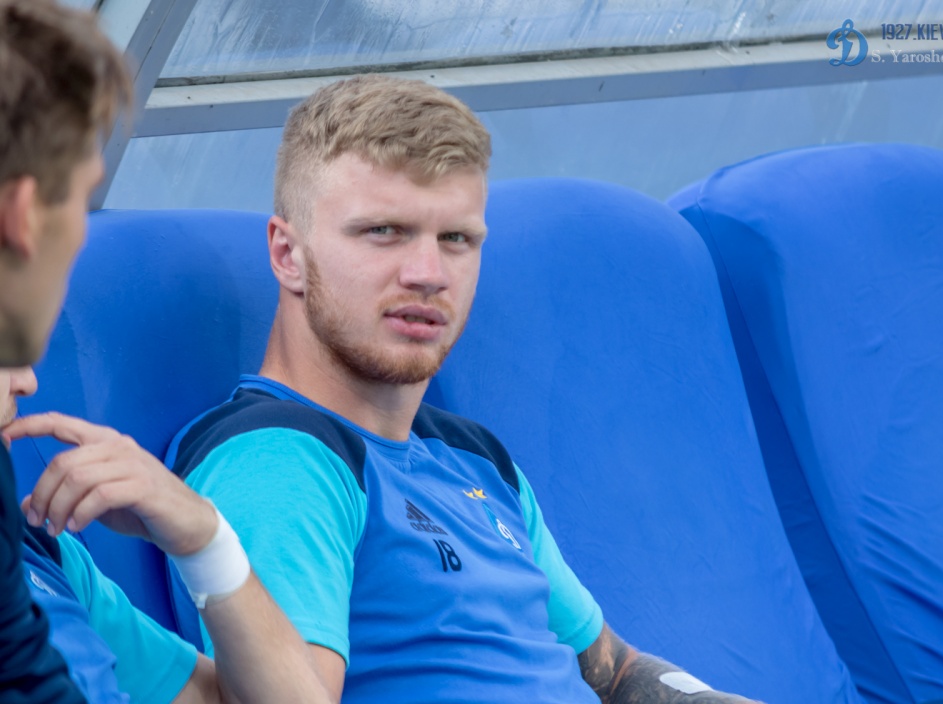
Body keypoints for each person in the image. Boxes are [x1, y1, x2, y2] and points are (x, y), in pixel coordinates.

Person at [168, 74, 763, 703]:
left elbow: (613, 672)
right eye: (384, 231)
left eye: (456, 239)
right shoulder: (280, 459)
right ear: (288, 254)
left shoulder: (473, 458)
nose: (428, 274)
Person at [0, 1, 329, 701]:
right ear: (24, 218)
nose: (25, 381)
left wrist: (205, 540)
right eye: (79, 203)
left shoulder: (37, 551)